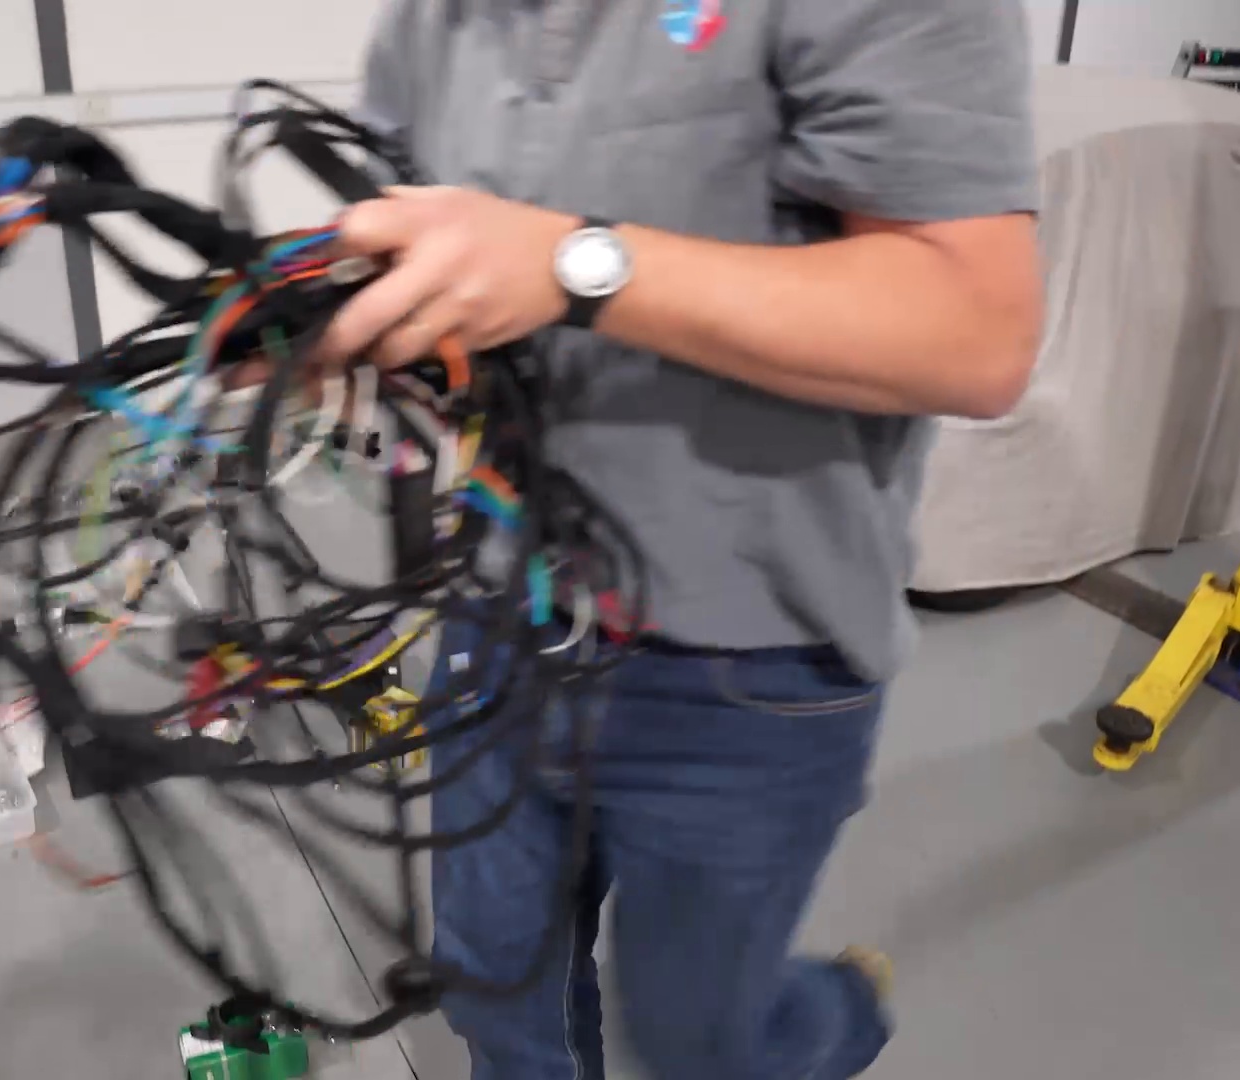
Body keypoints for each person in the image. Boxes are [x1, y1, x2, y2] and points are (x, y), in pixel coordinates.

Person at [318, 1, 1043, 1077]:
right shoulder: (439, 18)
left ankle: (834, 1014)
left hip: (747, 661)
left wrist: (574, 264)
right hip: (500, 619)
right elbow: (411, 248)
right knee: (495, 994)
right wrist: (313, 322)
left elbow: (975, 330)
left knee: (701, 1043)